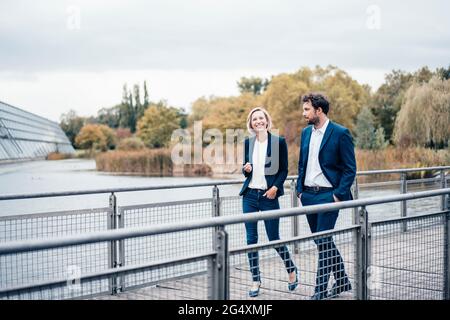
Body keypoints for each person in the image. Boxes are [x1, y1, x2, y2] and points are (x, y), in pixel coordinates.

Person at [296, 93, 356, 300]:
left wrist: (338, 195)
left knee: (323, 239)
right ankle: (342, 280)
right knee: (322, 241)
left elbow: (350, 169)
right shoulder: (306, 133)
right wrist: (299, 190)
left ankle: (320, 291)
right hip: (308, 196)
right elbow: (302, 163)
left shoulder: (340, 133)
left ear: (318, 110)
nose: (303, 113)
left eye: (307, 109)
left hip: (329, 196)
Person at [239, 107, 298, 298]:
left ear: (266, 120)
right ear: (251, 123)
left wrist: (275, 188)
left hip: (268, 196)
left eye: (261, 118)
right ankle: (256, 280)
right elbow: (246, 170)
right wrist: (245, 169)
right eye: (254, 119)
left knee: (274, 238)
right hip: (249, 196)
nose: (258, 121)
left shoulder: (278, 141)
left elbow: (283, 170)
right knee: (251, 240)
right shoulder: (248, 143)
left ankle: (291, 270)